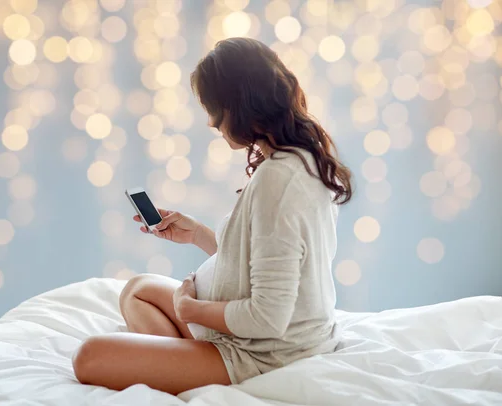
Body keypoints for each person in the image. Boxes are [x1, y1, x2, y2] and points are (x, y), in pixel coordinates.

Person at [72, 37, 353, 395]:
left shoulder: (278, 180)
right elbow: (271, 257)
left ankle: (185, 369)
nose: (210, 122)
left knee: (89, 357)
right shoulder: (303, 155)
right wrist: (197, 235)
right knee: (137, 290)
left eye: (213, 108)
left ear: (238, 104)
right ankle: (180, 365)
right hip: (271, 331)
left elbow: (267, 317)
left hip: (265, 350)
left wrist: (190, 309)